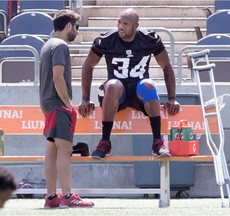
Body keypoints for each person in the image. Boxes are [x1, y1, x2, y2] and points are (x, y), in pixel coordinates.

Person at [79, 8, 180, 159]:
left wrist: (172, 98)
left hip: (138, 92)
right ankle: (105, 142)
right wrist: (85, 98)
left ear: (136, 26)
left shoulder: (149, 39)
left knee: (148, 85)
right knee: (114, 85)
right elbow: (88, 65)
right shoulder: (107, 39)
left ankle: (157, 142)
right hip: (116, 94)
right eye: (119, 22)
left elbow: (166, 66)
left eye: (125, 24)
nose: (120, 26)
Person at [39, 9, 94, 208]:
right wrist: (68, 105)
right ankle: (68, 196)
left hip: (48, 104)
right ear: (68, 26)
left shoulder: (47, 45)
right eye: (76, 27)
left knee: (52, 152)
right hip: (57, 104)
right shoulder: (61, 45)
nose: (77, 31)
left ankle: (51, 197)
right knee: (65, 150)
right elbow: (57, 77)